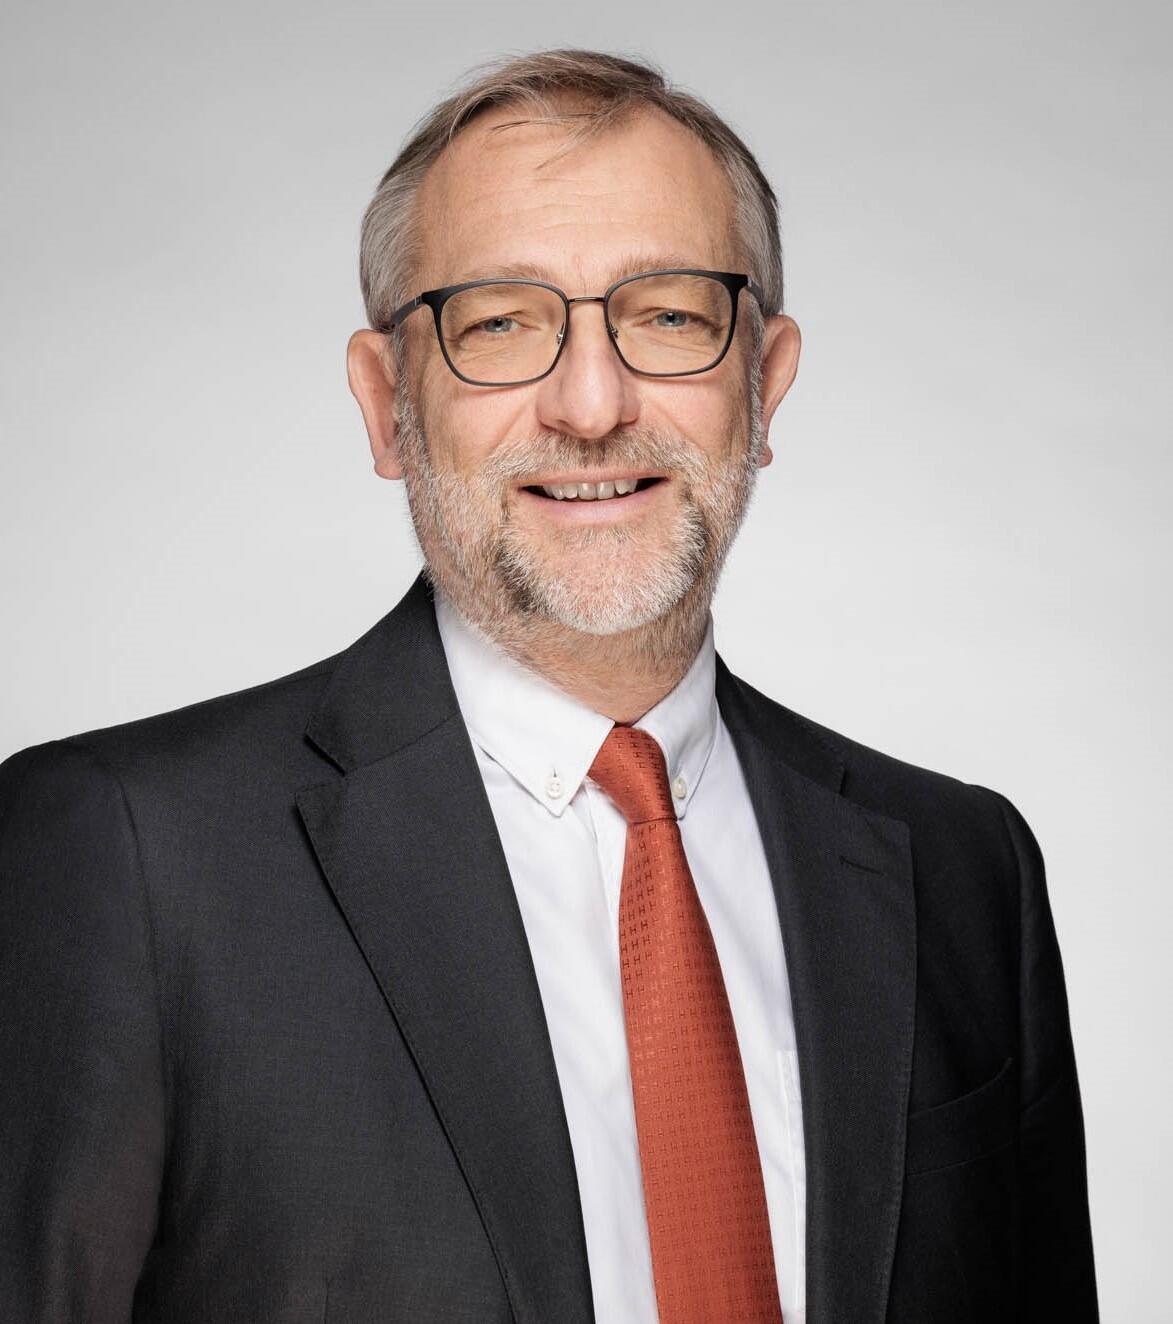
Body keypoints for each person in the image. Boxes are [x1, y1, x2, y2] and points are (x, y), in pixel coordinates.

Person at [0, 48, 1097, 1324]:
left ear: (765, 381)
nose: (591, 402)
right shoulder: (127, 855)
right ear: (386, 405)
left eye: (670, 316)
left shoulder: (964, 870)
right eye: (500, 324)